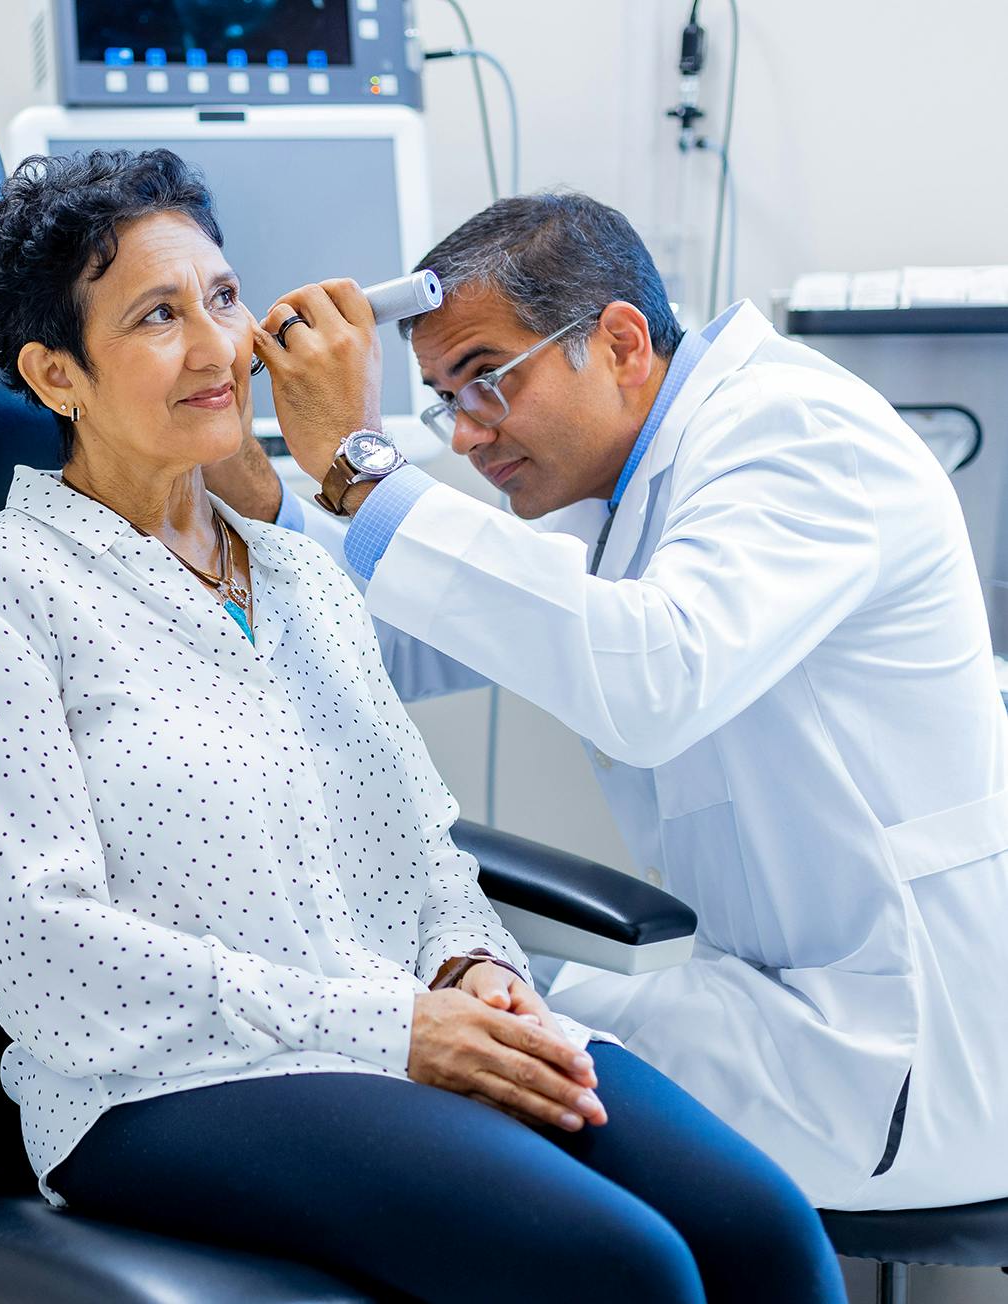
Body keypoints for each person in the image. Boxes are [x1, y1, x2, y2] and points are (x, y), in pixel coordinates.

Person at [0, 150, 844, 1302]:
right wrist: (394, 1022)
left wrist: (473, 963)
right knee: (617, 1266)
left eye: (222, 296)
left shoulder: (297, 570)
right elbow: (51, 957)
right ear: (57, 373)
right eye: (157, 315)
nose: (216, 347)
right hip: (162, 1084)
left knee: (762, 1233)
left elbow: (417, 842)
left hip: (394, 1028)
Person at [205, 188, 1008, 1213]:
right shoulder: (623, 483)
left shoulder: (791, 434)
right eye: (445, 400)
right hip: (780, 1006)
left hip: (894, 1054)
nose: (462, 434)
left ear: (619, 341)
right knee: (434, 1014)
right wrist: (262, 495)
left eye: (482, 380)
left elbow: (649, 679)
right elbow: (411, 639)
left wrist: (359, 468)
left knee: (422, 1056)